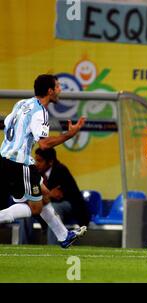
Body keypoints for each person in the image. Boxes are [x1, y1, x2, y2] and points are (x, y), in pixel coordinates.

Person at [0, 74, 87, 248]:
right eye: (58, 86)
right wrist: (70, 134)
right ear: (50, 91)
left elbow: (8, 124)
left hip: (6, 158)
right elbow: (45, 144)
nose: (60, 90)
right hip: (20, 163)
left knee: (44, 193)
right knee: (35, 208)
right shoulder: (41, 112)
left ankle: (64, 236)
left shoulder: (22, 104)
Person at [19, 147, 90, 245]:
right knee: (27, 211)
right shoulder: (35, 172)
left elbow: (59, 195)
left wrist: (46, 195)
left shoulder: (61, 170)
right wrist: (48, 194)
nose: (36, 164)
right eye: (36, 160)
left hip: (69, 204)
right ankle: (22, 245)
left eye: (40, 161)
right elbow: (38, 194)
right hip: (46, 203)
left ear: (50, 162)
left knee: (54, 208)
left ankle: (54, 246)